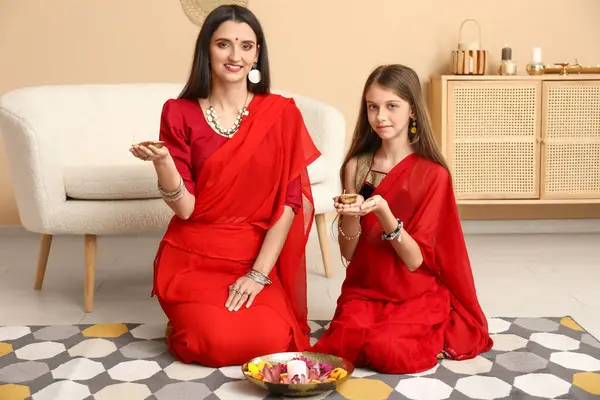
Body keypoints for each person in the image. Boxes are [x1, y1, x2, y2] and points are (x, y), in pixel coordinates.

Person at [129, 5, 320, 367]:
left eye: (246, 46)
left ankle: (225, 308)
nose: (236, 56)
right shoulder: (178, 111)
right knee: (212, 343)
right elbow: (186, 208)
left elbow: (289, 205)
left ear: (258, 53)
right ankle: (185, 320)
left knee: (273, 341)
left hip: (252, 255)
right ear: (206, 50)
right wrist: (163, 161)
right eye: (224, 45)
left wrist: (258, 274)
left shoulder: (281, 114)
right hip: (194, 256)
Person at [310, 64, 493, 374]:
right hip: (365, 288)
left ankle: (436, 319)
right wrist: (350, 217)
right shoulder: (358, 165)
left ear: (412, 110)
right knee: (341, 346)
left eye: (392, 106)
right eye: (373, 107)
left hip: (412, 290)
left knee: (392, 353)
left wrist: (384, 214)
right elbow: (348, 253)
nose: (380, 116)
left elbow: (414, 260)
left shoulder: (433, 175)